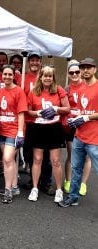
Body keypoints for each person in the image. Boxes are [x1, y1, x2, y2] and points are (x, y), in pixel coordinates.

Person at [27, 65, 70, 203]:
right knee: (37, 159)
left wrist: (56, 109)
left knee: (56, 161)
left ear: (53, 78)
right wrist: (38, 113)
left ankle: (58, 190)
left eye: (50, 76)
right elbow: (28, 111)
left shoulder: (59, 90)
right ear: (40, 77)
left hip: (53, 128)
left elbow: (67, 108)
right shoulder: (33, 91)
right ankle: (35, 188)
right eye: (45, 75)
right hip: (38, 128)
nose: (47, 78)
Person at [59, 58, 98, 208]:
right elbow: (82, 111)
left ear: (94, 69)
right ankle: (73, 197)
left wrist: (87, 117)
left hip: (95, 138)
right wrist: (75, 119)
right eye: (83, 68)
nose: (85, 70)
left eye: (89, 67)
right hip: (79, 136)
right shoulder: (81, 89)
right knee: (75, 168)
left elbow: (88, 114)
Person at [21, 52, 54, 195]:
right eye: (32, 60)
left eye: (37, 60)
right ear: (28, 62)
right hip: (30, 122)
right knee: (31, 154)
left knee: (46, 155)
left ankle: (46, 182)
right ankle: (33, 179)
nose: (34, 62)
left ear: (41, 62)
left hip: (46, 123)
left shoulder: (46, 76)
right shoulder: (23, 77)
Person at [0, 65, 27, 203]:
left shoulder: (19, 91)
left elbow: (21, 114)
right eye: (5, 74)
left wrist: (20, 133)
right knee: (9, 160)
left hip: (14, 130)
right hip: (2, 130)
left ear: (14, 76)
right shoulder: (0, 91)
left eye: (10, 74)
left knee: (7, 159)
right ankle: (14, 187)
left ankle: (7, 190)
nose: (7, 77)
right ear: (2, 75)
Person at [63, 60, 91, 195]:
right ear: (68, 74)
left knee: (86, 157)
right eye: (71, 72)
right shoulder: (66, 89)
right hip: (72, 126)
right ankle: (68, 180)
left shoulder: (88, 86)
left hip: (87, 124)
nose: (74, 74)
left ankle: (83, 184)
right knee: (71, 155)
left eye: (77, 72)